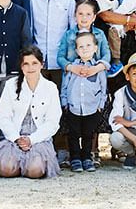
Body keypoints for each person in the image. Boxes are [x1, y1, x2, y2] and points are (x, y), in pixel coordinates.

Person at [0, 46, 61, 178]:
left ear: (41, 65)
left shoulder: (50, 87)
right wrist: (16, 138)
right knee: (6, 170)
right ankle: (17, 163)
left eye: (34, 63)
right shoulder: (11, 85)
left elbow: (53, 122)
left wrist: (32, 139)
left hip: (39, 139)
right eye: (26, 64)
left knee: (34, 171)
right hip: (14, 137)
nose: (30, 68)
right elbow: (3, 117)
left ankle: (29, 163)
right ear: (21, 66)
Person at [59, 32, 108, 172]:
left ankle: (87, 157)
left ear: (95, 48)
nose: (85, 49)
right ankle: (75, 158)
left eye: (88, 45)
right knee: (73, 134)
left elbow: (103, 89)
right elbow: (65, 86)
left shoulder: (98, 69)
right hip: (73, 107)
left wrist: (100, 106)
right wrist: (65, 104)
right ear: (76, 50)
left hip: (92, 107)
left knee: (88, 134)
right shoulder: (72, 67)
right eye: (81, 46)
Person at [30, 0, 76, 80]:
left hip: (61, 60)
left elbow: (73, 30)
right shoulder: (33, 1)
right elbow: (30, 30)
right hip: (39, 60)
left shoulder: (68, 1)